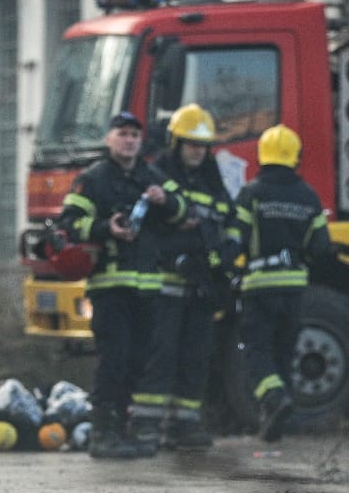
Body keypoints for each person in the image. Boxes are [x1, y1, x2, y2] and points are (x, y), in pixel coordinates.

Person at [57, 111, 183, 458]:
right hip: (110, 287)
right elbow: (68, 223)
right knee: (114, 359)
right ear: (109, 139)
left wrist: (166, 201)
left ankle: (122, 430)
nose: (129, 140)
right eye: (122, 134)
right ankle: (103, 432)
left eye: (134, 135)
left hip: (147, 288)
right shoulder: (93, 179)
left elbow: (183, 212)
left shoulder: (152, 177)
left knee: (138, 361)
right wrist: (104, 228)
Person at [131, 104, 232, 454]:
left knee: (196, 356)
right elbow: (153, 227)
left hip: (200, 285)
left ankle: (185, 423)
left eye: (203, 146)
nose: (197, 151)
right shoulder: (156, 174)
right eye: (191, 144)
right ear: (176, 142)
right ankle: (145, 423)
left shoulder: (211, 178)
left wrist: (218, 261)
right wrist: (180, 249)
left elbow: (223, 219)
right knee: (160, 354)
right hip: (166, 283)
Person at [223, 123, 331, 443]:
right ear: (295, 156)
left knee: (257, 349)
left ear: (261, 155)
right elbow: (321, 247)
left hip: (259, 285)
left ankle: (273, 400)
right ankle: (276, 421)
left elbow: (234, 239)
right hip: (294, 287)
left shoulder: (252, 193)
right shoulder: (309, 196)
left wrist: (224, 266)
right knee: (284, 351)